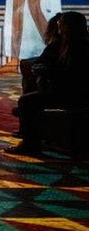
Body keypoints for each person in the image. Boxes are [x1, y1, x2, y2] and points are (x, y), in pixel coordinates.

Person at [8, 11, 89, 154]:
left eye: (61, 22)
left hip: (74, 94)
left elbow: (72, 75)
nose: (58, 24)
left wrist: (47, 71)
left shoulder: (77, 46)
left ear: (68, 26)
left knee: (26, 102)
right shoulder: (74, 42)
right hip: (73, 91)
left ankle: (30, 144)